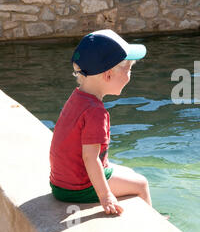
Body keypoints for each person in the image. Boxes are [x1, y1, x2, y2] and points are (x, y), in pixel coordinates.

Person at [49, 29, 150, 215]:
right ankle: (155, 229)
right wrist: (106, 196)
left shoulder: (78, 98)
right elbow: (90, 157)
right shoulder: (96, 112)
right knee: (142, 184)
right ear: (108, 75)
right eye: (128, 70)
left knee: (128, 171)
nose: (130, 76)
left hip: (60, 183)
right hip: (78, 188)